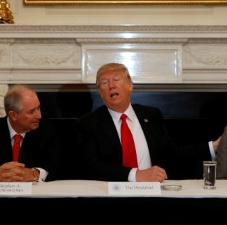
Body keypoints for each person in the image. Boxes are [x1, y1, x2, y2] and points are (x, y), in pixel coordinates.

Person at [75, 62, 218, 182]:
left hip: (153, 195)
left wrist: (213, 147)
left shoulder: (151, 115)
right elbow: (92, 166)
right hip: (111, 199)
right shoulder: (88, 123)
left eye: (117, 79)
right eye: (105, 83)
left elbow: (171, 153)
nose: (111, 85)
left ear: (130, 85)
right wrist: (136, 175)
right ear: (100, 92)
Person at [0, 84, 63, 182]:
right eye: (31, 111)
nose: (39, 115)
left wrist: (34, 174)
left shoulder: (48, 131)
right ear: (13, 115)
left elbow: (60, 167)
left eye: (38, 108)